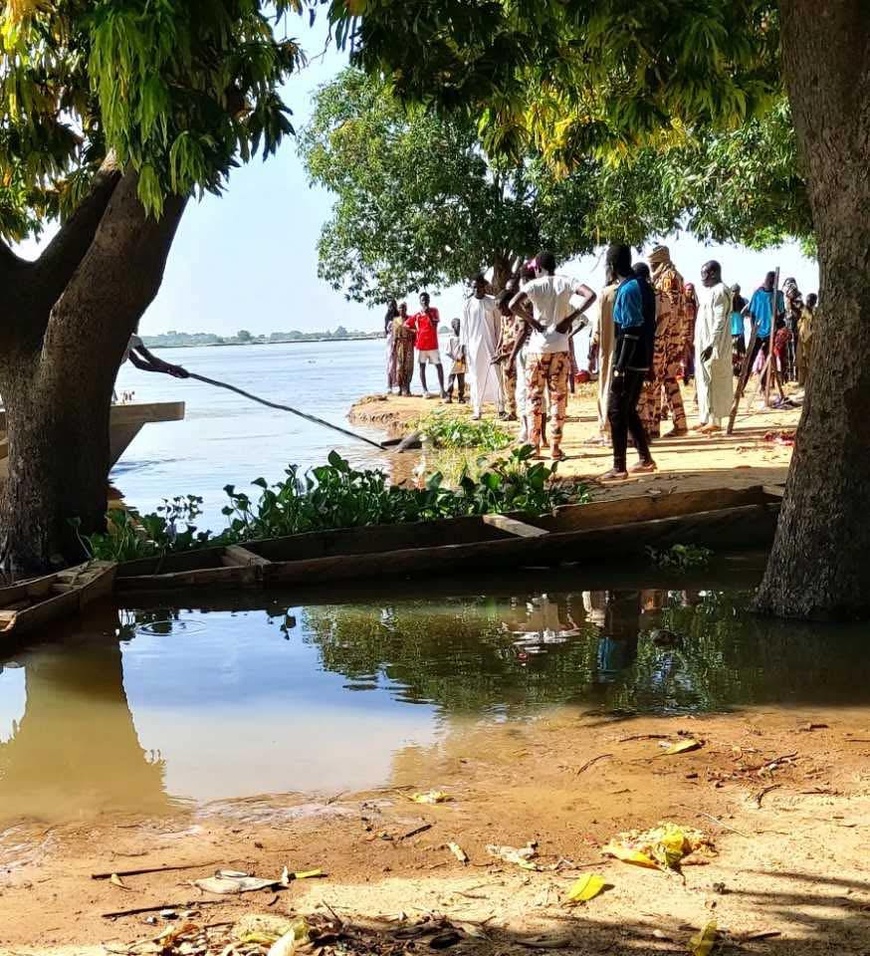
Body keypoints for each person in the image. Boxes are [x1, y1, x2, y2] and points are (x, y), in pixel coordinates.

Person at [509, 251, 596, 460]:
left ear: (538, 268)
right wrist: (570, 319)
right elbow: (590, 295)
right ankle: (555, 447)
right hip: (560, 346)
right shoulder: (566, 281)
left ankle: (534, 446)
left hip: (537, 349)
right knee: (558, 398)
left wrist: (532, 321)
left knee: (534, 397)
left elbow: (512, 305)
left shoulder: (533, 285)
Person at [603, 245, 656, 480]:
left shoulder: (628, 289)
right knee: (628, 410)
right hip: (641, 358)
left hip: (631, 361)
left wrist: (620, 368)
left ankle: (619, 467)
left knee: (616, 411)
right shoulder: (642, 285)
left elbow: (631, 330)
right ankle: (645, 459)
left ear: (612, 266)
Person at [640, 244, 689, 438]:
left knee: (658, 379)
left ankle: (656, 427)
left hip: (668, 337)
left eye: (653, 264)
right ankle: (677, 423)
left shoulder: (669, 278)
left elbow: (670, 311)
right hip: (672, 336)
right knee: (667, 379)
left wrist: (662, 338)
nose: (651, 268)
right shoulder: (672, 276)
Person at [695, 260, 733, 433]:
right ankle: (704, 418)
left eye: (704, 273)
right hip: (703, 344)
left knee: (714, 380)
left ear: (713, 273)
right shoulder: (707, 292)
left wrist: (711, 344)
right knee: (703, 380)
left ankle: (715, 420)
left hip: (715, 345)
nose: (702, 277)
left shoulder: (720, 291)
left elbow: (719, 321)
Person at [462, 274, 504, 420]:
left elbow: (499, 325)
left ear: (484, 287)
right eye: (475, 287)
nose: (477, 290)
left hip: (492, 344)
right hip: (473, 347)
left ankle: (501, 408)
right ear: (472, 287)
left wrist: (500, 344)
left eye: (480, 287)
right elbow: (464, 328)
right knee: (475, 377)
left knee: (496, 374)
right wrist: (463, 346)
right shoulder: (467, 304)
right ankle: (477, 410)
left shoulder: (492, 302)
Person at [590, 267, 619, 441]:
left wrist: (591, 352)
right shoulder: (632, 289)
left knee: (607, 387)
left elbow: (596, 331)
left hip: (608, 350)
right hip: (629, 350)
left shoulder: (606, 294)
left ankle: (606, 431)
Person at [406, 292, 446, 398]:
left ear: (429, 300)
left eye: (426, 299)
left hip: (432, 344)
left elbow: (434, 324)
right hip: (421, 345)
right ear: (420, 301)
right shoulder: (417, 315)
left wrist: (428, 314)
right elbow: (406, 324)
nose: (424, 301)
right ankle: (425, 390)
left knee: (438, 365)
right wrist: (416, 331)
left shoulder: (434, 311)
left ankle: (442, 389)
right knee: (422, 367)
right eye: (423, 300)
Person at [493, 291, 522, 420]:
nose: (501, 311)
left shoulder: (520, 317)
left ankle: (526, 412)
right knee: (507, 385)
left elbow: (521, 340)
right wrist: (498, 348)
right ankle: (512, 412)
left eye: (502, 307)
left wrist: (507, 355)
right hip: (505, 355)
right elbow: (502, 332)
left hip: (517, 356)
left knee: (521, 385)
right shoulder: (504, 317)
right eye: (498, 309)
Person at [393, 302, 416, 396]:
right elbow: (394, 335)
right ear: (398, 309)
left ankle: (407, 388)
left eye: (403, 308)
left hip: (409, 344)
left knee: (408, 367)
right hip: (399, 345)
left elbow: (415, 331)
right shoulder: (396, 320)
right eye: (400, 308)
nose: (402, 310)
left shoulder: (410, 319)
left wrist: (408, 330)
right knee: (399, 367)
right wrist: (394, 348)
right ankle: (400, 388)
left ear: (406, 309)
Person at [797, 292, 817, 387]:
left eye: (810, 301)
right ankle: (801, 382)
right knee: (801, 360)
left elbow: (812, 319)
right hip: (802, 338)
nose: (808, 303)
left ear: (814, 302)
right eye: (807, 301)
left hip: (810, 338)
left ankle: (810, 381)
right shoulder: (804, 310)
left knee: (810, 359)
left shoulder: (815, 311)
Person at [445, 317, 466, 403]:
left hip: (461, 362)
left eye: (460, 325)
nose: (459, 327)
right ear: (453, 326)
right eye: (457, 325)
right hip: (453, 362)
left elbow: (465, 349)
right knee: (451, 379)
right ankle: (449, 396)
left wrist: (464, 356)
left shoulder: (463, 338)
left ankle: (461, 397)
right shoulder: (451, 338)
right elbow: (448, 352)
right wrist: (455, 358)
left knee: (461, 381)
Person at [683, 282, 698, 386]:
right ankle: (685, 376)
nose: (689, 292)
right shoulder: (681, 302)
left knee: (691, 353)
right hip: (683, 330)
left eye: (691, 290)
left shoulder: (693, 303)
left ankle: (690, 375)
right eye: (688, 290)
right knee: (684, 353)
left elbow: (695, 317)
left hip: (691, 329)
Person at [729, 284, 747, 373]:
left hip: (739, 331)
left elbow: (747, 313)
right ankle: (733, 370)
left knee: (741, 352)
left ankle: (740, 370)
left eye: (736, 291)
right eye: (733, 291)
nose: (735, 293)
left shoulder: (742, 301)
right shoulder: (728, 302)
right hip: (730, 332)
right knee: (732, 353)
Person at [384, 299, 399, 391]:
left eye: (393, 305)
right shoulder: (387, 316)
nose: (391, 307)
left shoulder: (399, 315)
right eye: (390, 306)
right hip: (390, 341)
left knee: (399, 363)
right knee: (390, 363)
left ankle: (399, 385)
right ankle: (389, 386)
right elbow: (386, 331)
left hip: (398, 340)